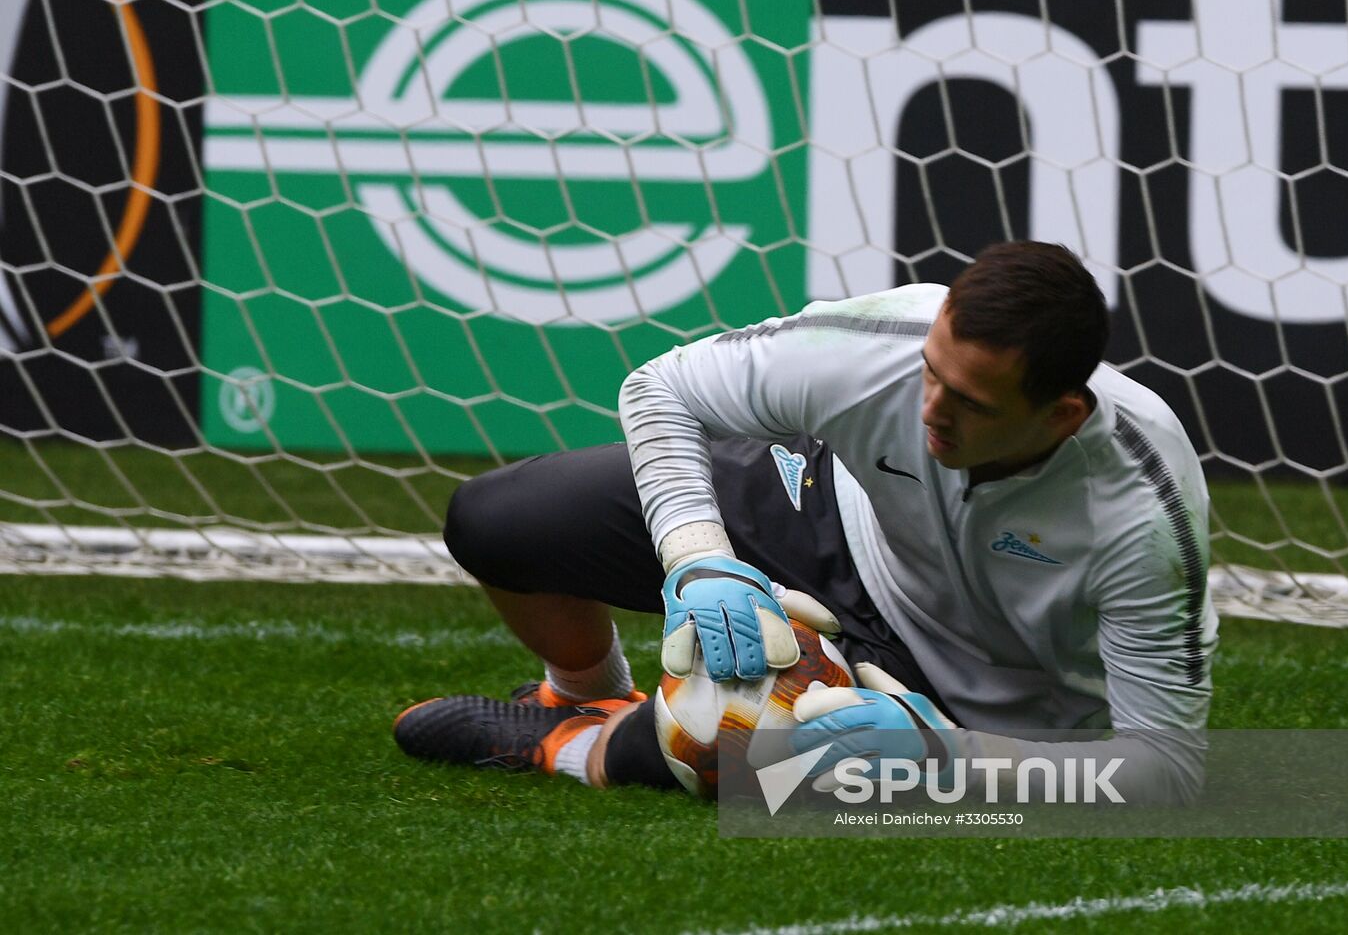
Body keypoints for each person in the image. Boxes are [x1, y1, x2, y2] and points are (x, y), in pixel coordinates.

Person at [394, 241, 1218, 803]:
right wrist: (698, 560)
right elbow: (661, 388)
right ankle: (586, 695)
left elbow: (1167, 772)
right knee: (499, 519)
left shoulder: (1142, 516)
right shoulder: (887, 343)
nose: (930, 410)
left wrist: (955, 760)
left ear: (1063, 415)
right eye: (931, 374)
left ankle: (574, 749)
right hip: (827, 515)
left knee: (734, 749)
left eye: (969, 402)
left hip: (955, 703)